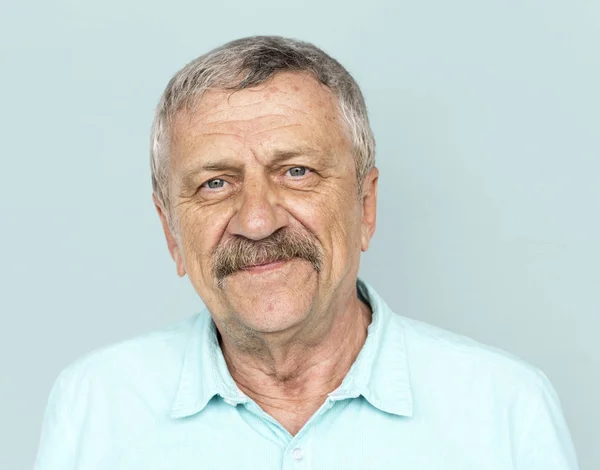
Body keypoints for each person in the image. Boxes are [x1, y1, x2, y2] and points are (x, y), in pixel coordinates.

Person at [34, 36, 579, 469]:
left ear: (364, 205)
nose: (256, 220)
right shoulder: (95, 404)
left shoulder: (504, 408)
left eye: (296, 172)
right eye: (216, 184)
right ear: (172, 232)